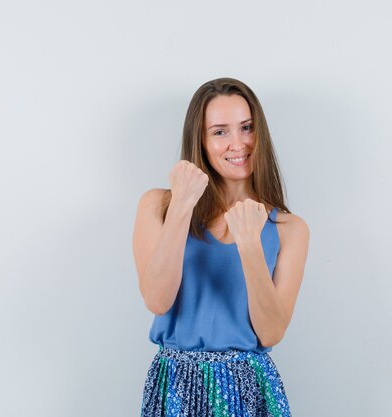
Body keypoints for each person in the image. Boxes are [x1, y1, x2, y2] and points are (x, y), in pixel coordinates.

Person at [132, 77, 310, 417]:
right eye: (219, 132)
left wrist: (250, 246)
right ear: (199, 140)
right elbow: (157, 299)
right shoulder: (159, 205)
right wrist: (183, 205)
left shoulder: (290, 229)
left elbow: (272, 331)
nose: (238, 143)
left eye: (246, 127)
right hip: (175, 385)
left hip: (249, 387)